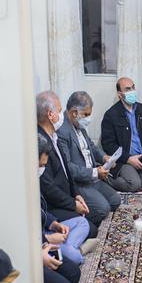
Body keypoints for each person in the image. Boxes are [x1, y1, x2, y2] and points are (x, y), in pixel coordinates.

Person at [36, 91, 98, 237]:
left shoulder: (54, 135)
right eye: (59, 110)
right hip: (53, 205)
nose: (62, 115)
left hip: (68, 195)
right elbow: (48, 188)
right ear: (50, 114)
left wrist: (77, 195)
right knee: (91, 228)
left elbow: (67, 172)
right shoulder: (40, 142)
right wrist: (72, 204)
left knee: (94, 215)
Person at [57, 91, 121, 225]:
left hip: (93, 178)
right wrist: (95, 172)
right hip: (79, 183)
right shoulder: (62, 131)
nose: (88, 118)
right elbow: (68, 167)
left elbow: (91, 146)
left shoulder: (79, 125)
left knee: (115, 201)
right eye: (86, 114)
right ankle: (77, 216)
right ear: (74, 112)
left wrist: (104, 157)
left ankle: (93, 203)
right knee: (103, 209)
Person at [37, 134, 93, 267]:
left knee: (83, 222)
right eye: (41, 165)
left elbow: (40, 211)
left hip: (47, 228)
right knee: (74, 261)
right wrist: (48, 238)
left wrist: (54, 224)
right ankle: (76, 251)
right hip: (40, 238)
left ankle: (68, 248)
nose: (42, 170)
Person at [100, 77, 142, 192]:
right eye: (127, 89)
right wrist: (128, 159)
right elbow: (108, 144)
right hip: (124, 161)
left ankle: (132, 178)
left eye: (133, 87)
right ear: (120, 95)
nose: (132, 91)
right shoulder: (111, 115)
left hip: (141, 159)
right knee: (134, 185)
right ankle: (107, 178)